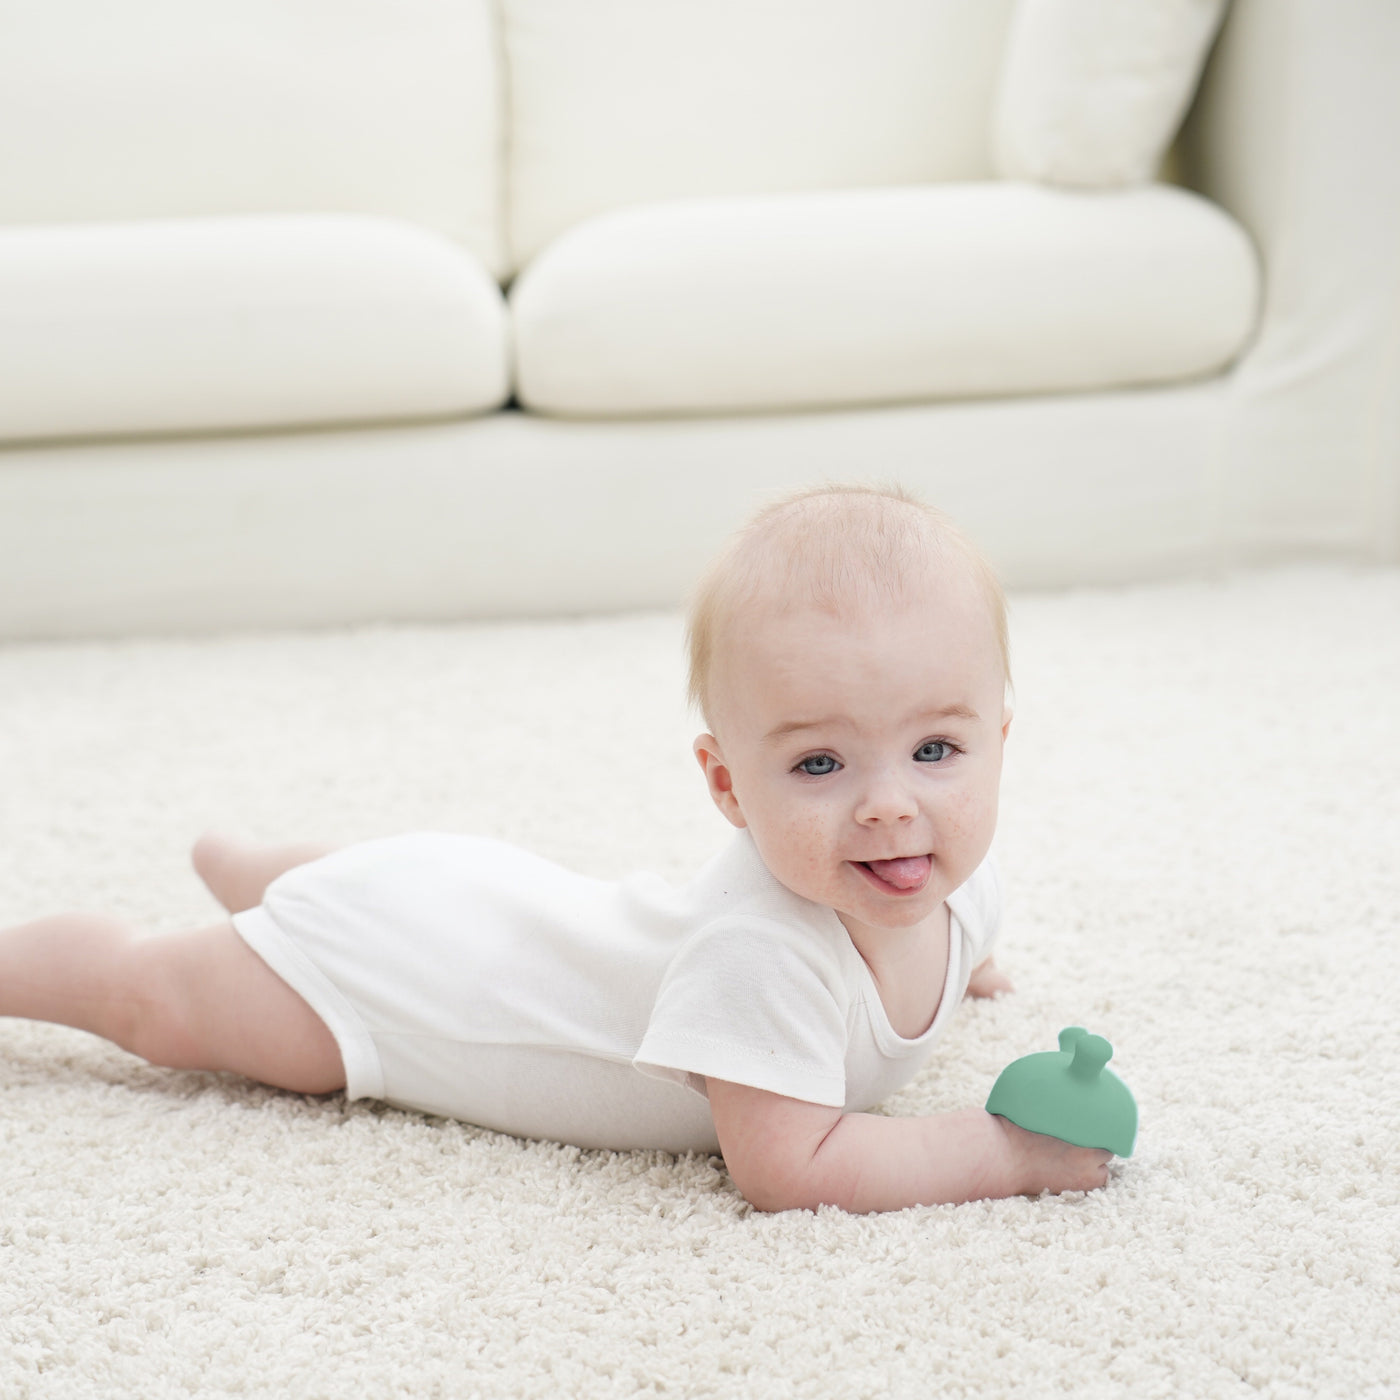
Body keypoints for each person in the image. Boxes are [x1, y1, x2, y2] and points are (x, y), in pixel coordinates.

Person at [0, 483, 1112, 1212]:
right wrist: (998, 1154)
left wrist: (968, 966)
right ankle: (133, 930)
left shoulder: (955, 885)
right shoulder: (761, 954)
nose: (889, 808)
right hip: (398, 985)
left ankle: (256, 866)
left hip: (463, 892)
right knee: (160, 1003)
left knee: (398, 877)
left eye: (934, 749)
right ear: (726, 784)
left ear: (996, 741)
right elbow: (788, 1165)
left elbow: (962, 930)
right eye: (819, 765)